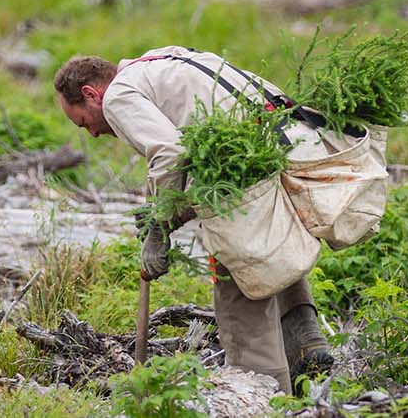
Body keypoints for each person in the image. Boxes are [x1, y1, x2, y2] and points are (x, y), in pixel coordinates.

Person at [53, 46, 334, 391]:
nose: (93, 134)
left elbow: (169, 152)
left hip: (243, 163)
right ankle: (303, 331)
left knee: (239, 290)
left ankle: (261, 396)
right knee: (269, 245)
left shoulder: (117, 97)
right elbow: (196, 138)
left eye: (83, 123)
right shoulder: (160, 61)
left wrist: (158, 227)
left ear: (90, 94)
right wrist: (178, 211)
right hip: (279, 141)